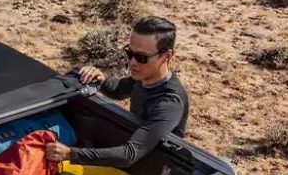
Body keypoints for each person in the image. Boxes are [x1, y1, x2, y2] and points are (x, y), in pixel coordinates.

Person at [44, 16, 189, 167]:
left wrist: (70, 154)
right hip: (133, 148)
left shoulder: (169, 103)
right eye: (130, 53)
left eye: (141, 57)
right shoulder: (144, 76)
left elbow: (130, 154)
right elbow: (119, 90)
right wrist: (100, 78)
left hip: (152, 166)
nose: (132, 62)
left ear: (166, 56)